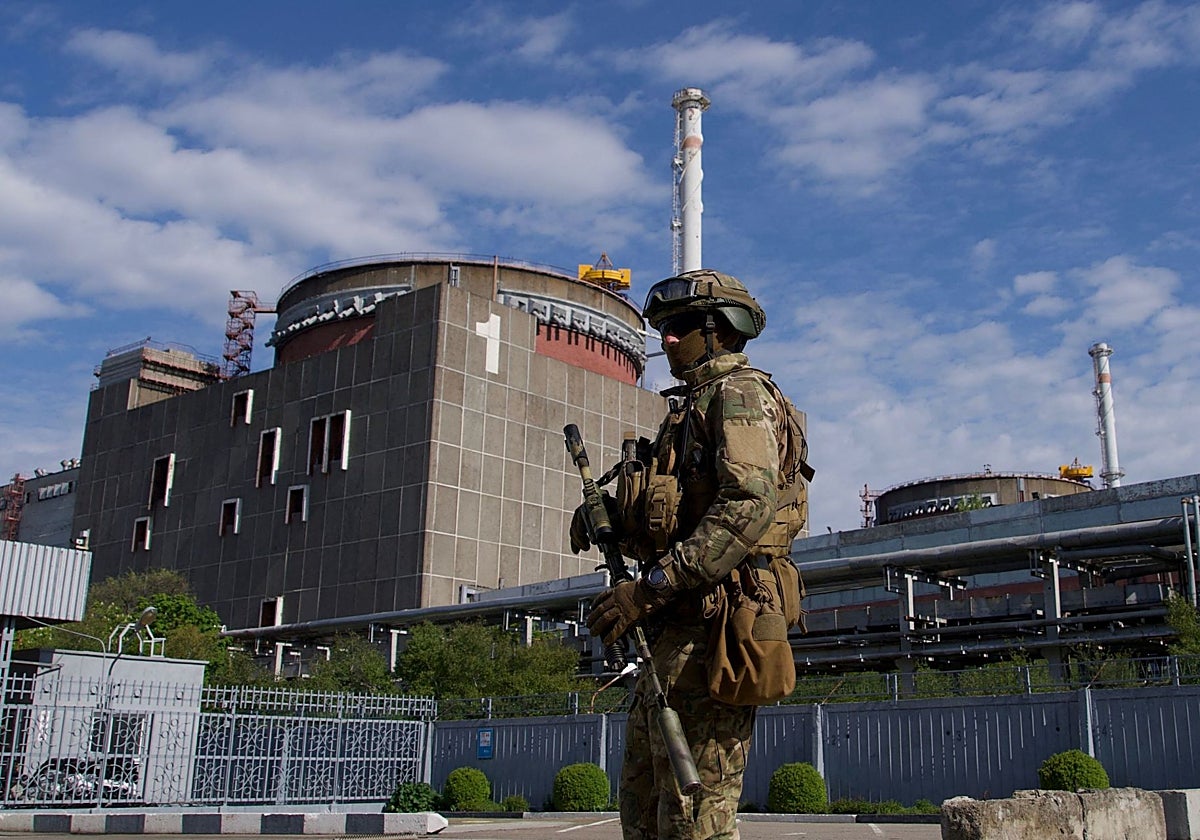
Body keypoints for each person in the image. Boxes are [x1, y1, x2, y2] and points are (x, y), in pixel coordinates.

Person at [572, 269, 810, 840]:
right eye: (665, 328)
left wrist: (648, 587)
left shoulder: (740, 396)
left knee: (694, 815)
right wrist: (610, 514)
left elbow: (746, 508)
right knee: (645, 805)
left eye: (680, 327)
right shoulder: (687, 412)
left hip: (717, 632)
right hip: (673, 634)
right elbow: (676, 515)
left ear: (720, 330)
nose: (667, 339)